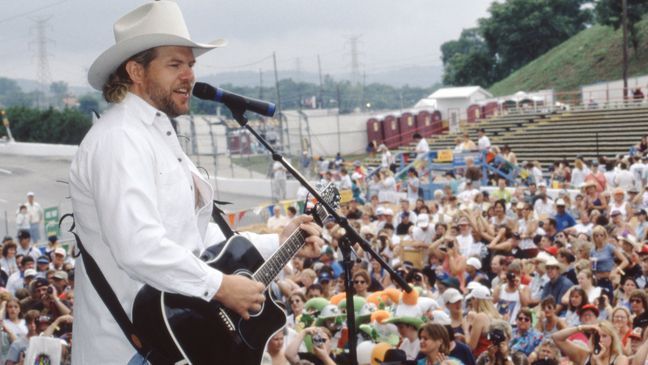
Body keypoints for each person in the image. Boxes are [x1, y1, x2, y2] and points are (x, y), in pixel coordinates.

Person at [69, 2, 324, 363]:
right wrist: (220, 286)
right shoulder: (119, 139)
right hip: (128, 348)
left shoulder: (157, 134)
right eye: (175, 64)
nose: (189, 75)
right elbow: (137, 245)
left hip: (176, 341)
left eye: (191, 64)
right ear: (135, 71)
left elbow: (194, 238)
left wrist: (278, 243)